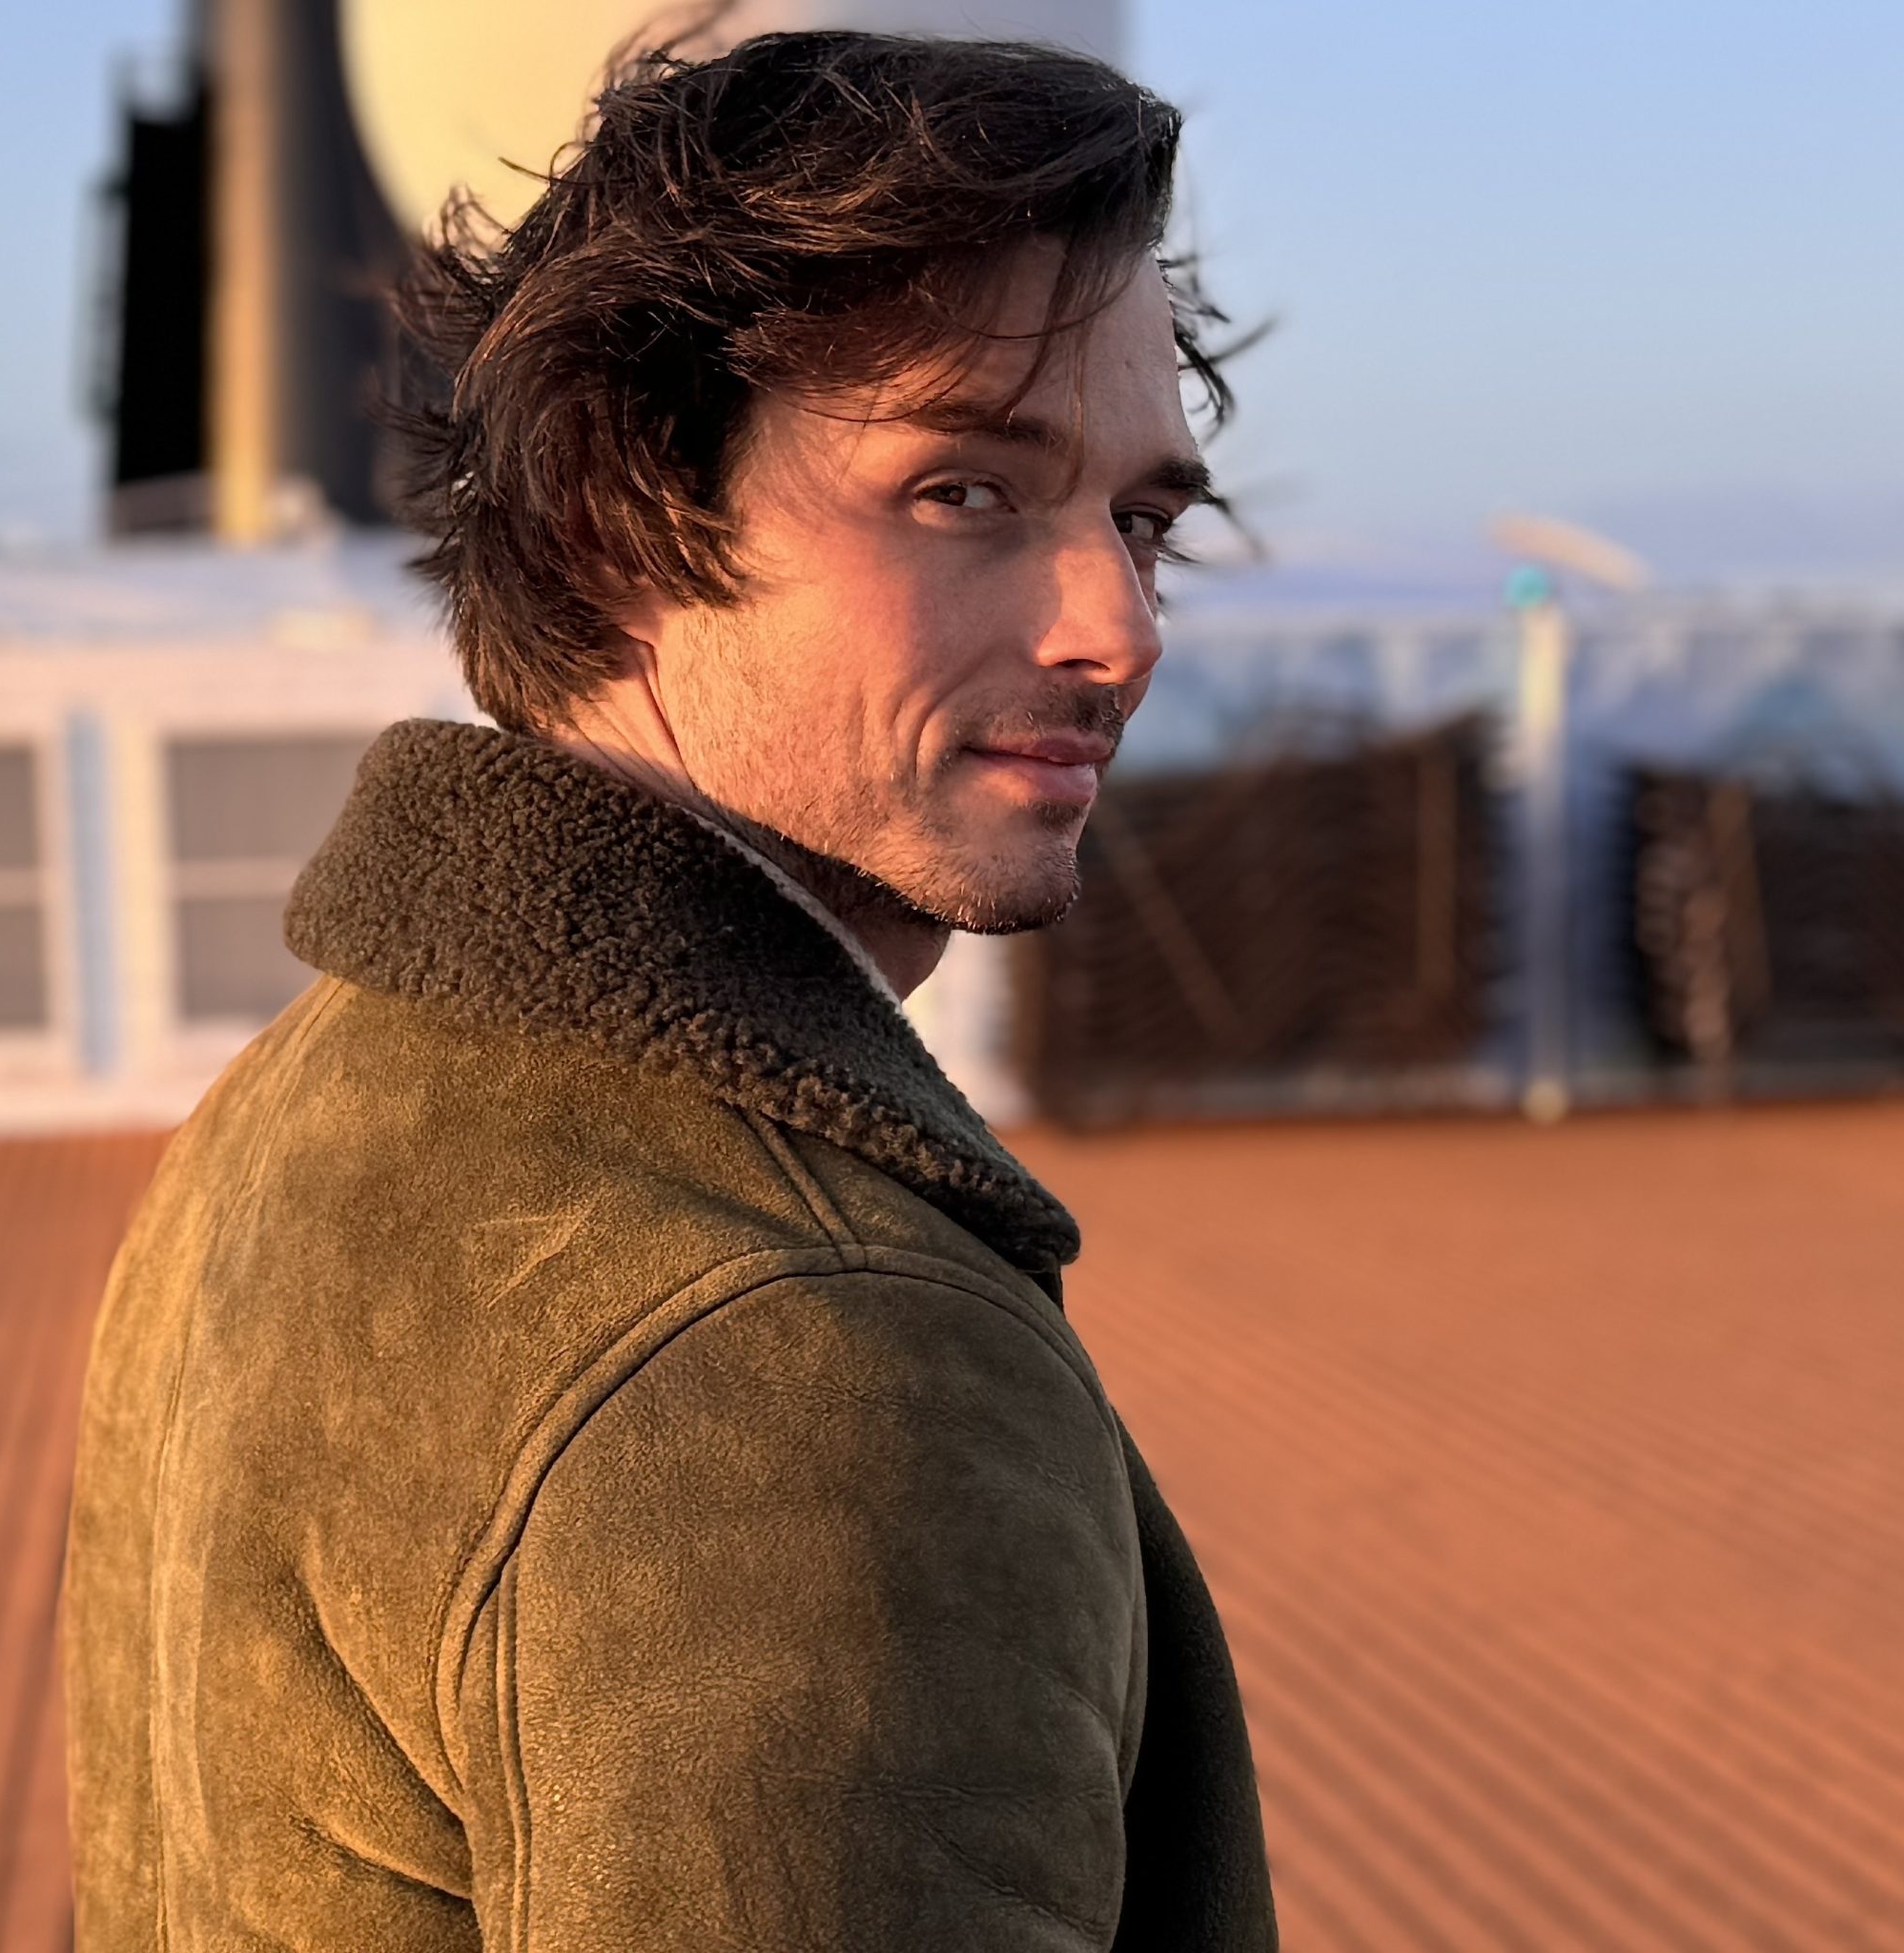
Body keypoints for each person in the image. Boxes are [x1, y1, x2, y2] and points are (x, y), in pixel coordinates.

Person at [64, 27, 1278, 1951]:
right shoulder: (812, 1352)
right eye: (965, 489)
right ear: (610, 521)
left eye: (1141, 519)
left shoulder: (302, 1102)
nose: (1115, 629)